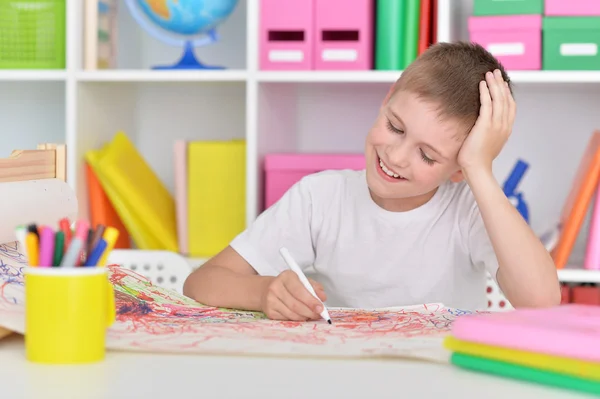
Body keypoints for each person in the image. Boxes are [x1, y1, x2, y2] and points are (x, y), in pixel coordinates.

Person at [183, 41, 561, 321]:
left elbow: (541, 301)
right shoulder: (319, 198)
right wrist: (264, 291)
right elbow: (201, 282)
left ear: (459, 167)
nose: (395, 156)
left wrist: (481, 168)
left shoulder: (469, 208)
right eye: (394, 127)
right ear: (387, 100)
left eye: (428, 155)